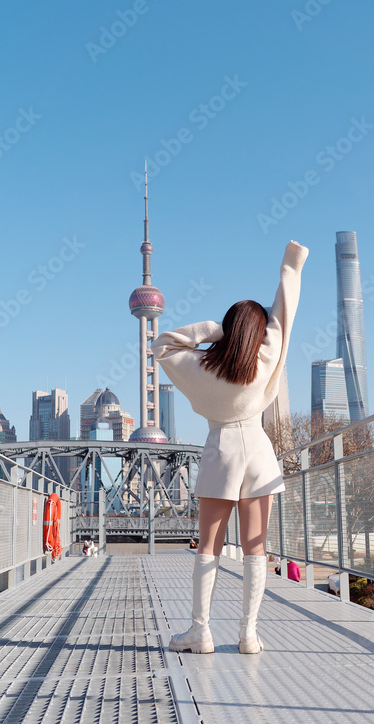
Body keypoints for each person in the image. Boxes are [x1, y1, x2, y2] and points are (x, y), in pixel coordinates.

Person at [152, 240, 308, 655]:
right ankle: (248, 634)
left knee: (209, 547)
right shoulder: (265, 358)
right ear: (257, 332)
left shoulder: (202, 367)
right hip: (258, 451)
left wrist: (215, 329)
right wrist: (291, 265)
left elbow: (161, 345)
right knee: (256, 548)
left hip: (220, 451)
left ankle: (200, 631)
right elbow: (284, 312)